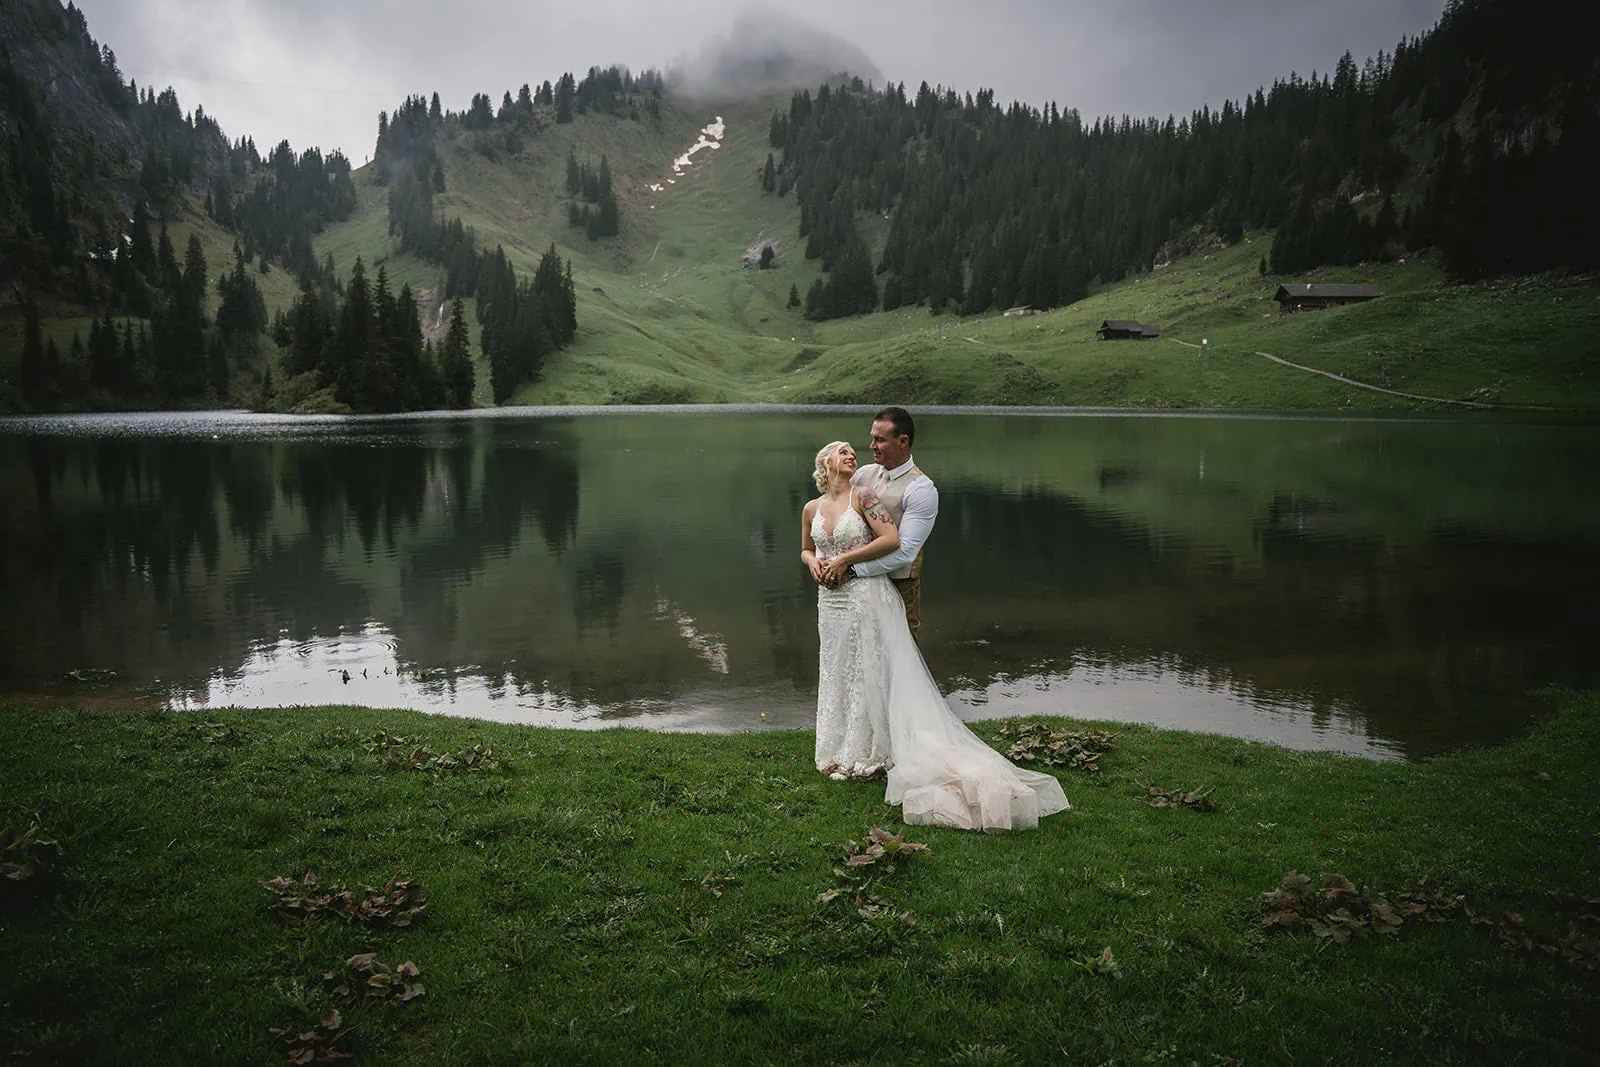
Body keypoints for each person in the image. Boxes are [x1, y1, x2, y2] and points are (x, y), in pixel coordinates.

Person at [800, 434, 1069, 832]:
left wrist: (844, 559)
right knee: (838, 669)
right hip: (831, 603)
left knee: (868, 671)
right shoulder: (811, 507)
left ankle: (870, 753)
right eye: (843, 451)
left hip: (865, 596)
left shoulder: (865, 498)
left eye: (854, 451)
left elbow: (892, 540)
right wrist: (813, 565)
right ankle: (837, 749)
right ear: (825, 464)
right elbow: (806, 548)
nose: (853, 454)